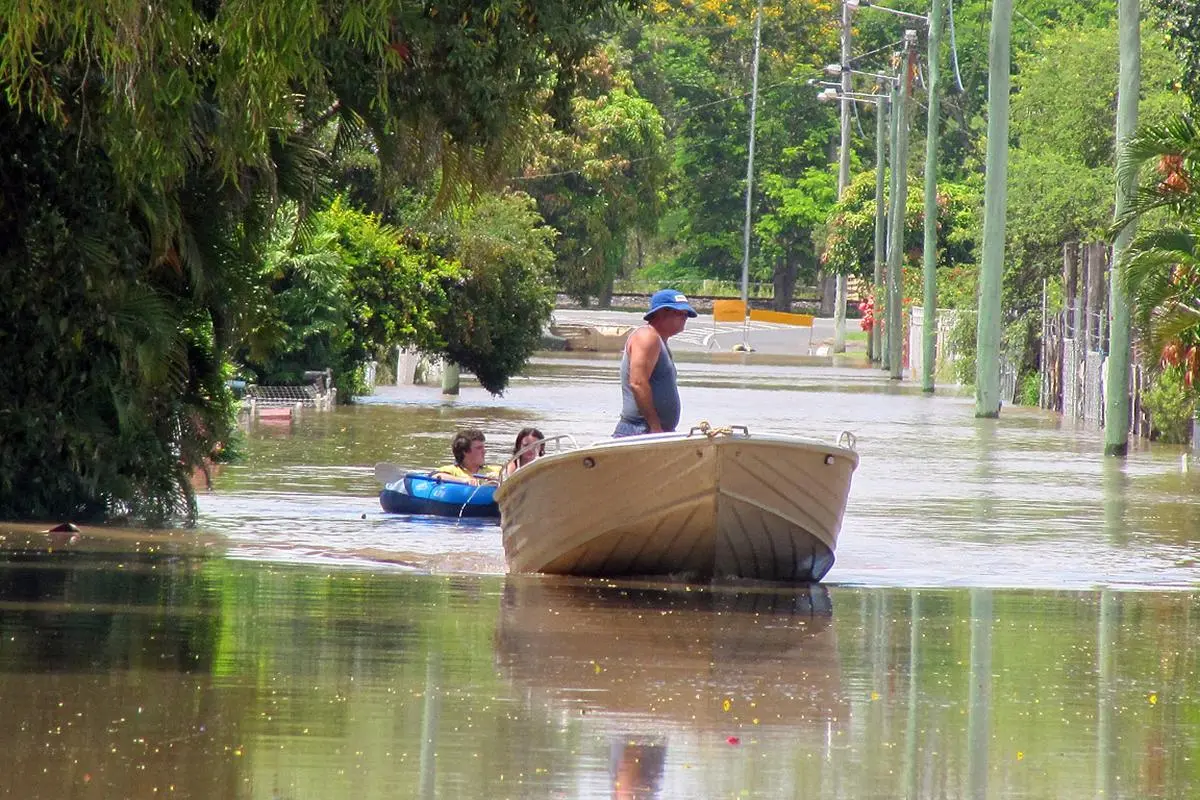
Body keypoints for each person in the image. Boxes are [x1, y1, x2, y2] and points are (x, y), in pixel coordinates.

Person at [613, 288, 697, 437]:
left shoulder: (660, 342)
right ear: (661, 313)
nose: (684, 318)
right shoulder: (647, 336)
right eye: (679, 313)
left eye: (686, 314)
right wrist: (655, 427)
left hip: (653, 430)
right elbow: (638, 383)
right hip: (640, 430)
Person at [432, 428, 500, 486]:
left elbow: (509, 474)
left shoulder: (495, 470)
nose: (484, 451)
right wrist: (464, 480)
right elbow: (435, 476)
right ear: (465, 451)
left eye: (483, 447)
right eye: (479, 448)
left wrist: (500, 478)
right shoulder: (452, 470)